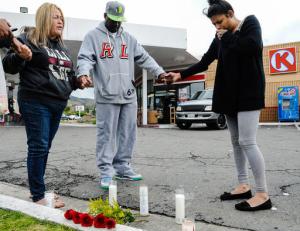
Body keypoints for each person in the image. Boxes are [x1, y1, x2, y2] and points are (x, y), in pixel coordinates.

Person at [167, 0, 272, 211]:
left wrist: (228, 37)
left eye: (220, 22)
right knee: (236, 142)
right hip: (229, 96)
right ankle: (243, 185)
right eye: (214, 24)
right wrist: (180, 74)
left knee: (247, 141)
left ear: (231, 14)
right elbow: (205, 60)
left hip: (249, 93)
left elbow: (252, 47)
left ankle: (262, 194)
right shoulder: (221, 37)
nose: (218, 27)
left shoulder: (250, 23)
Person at [2, 3, 90, 207]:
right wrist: (20, 55)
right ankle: (38, 196)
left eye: (62, 17)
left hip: (57, 103)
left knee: (44, 147)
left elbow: (69, 76)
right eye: (55, 17)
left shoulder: (63, 48)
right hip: (35, 100)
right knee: (38, 146)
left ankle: (38, 191)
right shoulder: (29, 38)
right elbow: (9, 64)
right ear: (43, 19)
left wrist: (79, 81)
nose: (60, 21)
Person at [77, 1, 169, 189]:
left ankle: (122, 167)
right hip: (106, 95)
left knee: (128, 133)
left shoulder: (129, 38)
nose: (117, 24)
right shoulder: (93, 37)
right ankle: (106, 172)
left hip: (128, 94)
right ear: (105, 17)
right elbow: (85, 58)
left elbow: (144, 57)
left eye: (120, 21)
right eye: (113, 20)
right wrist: (83, 74)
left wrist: (159, 72)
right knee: (106, 134)